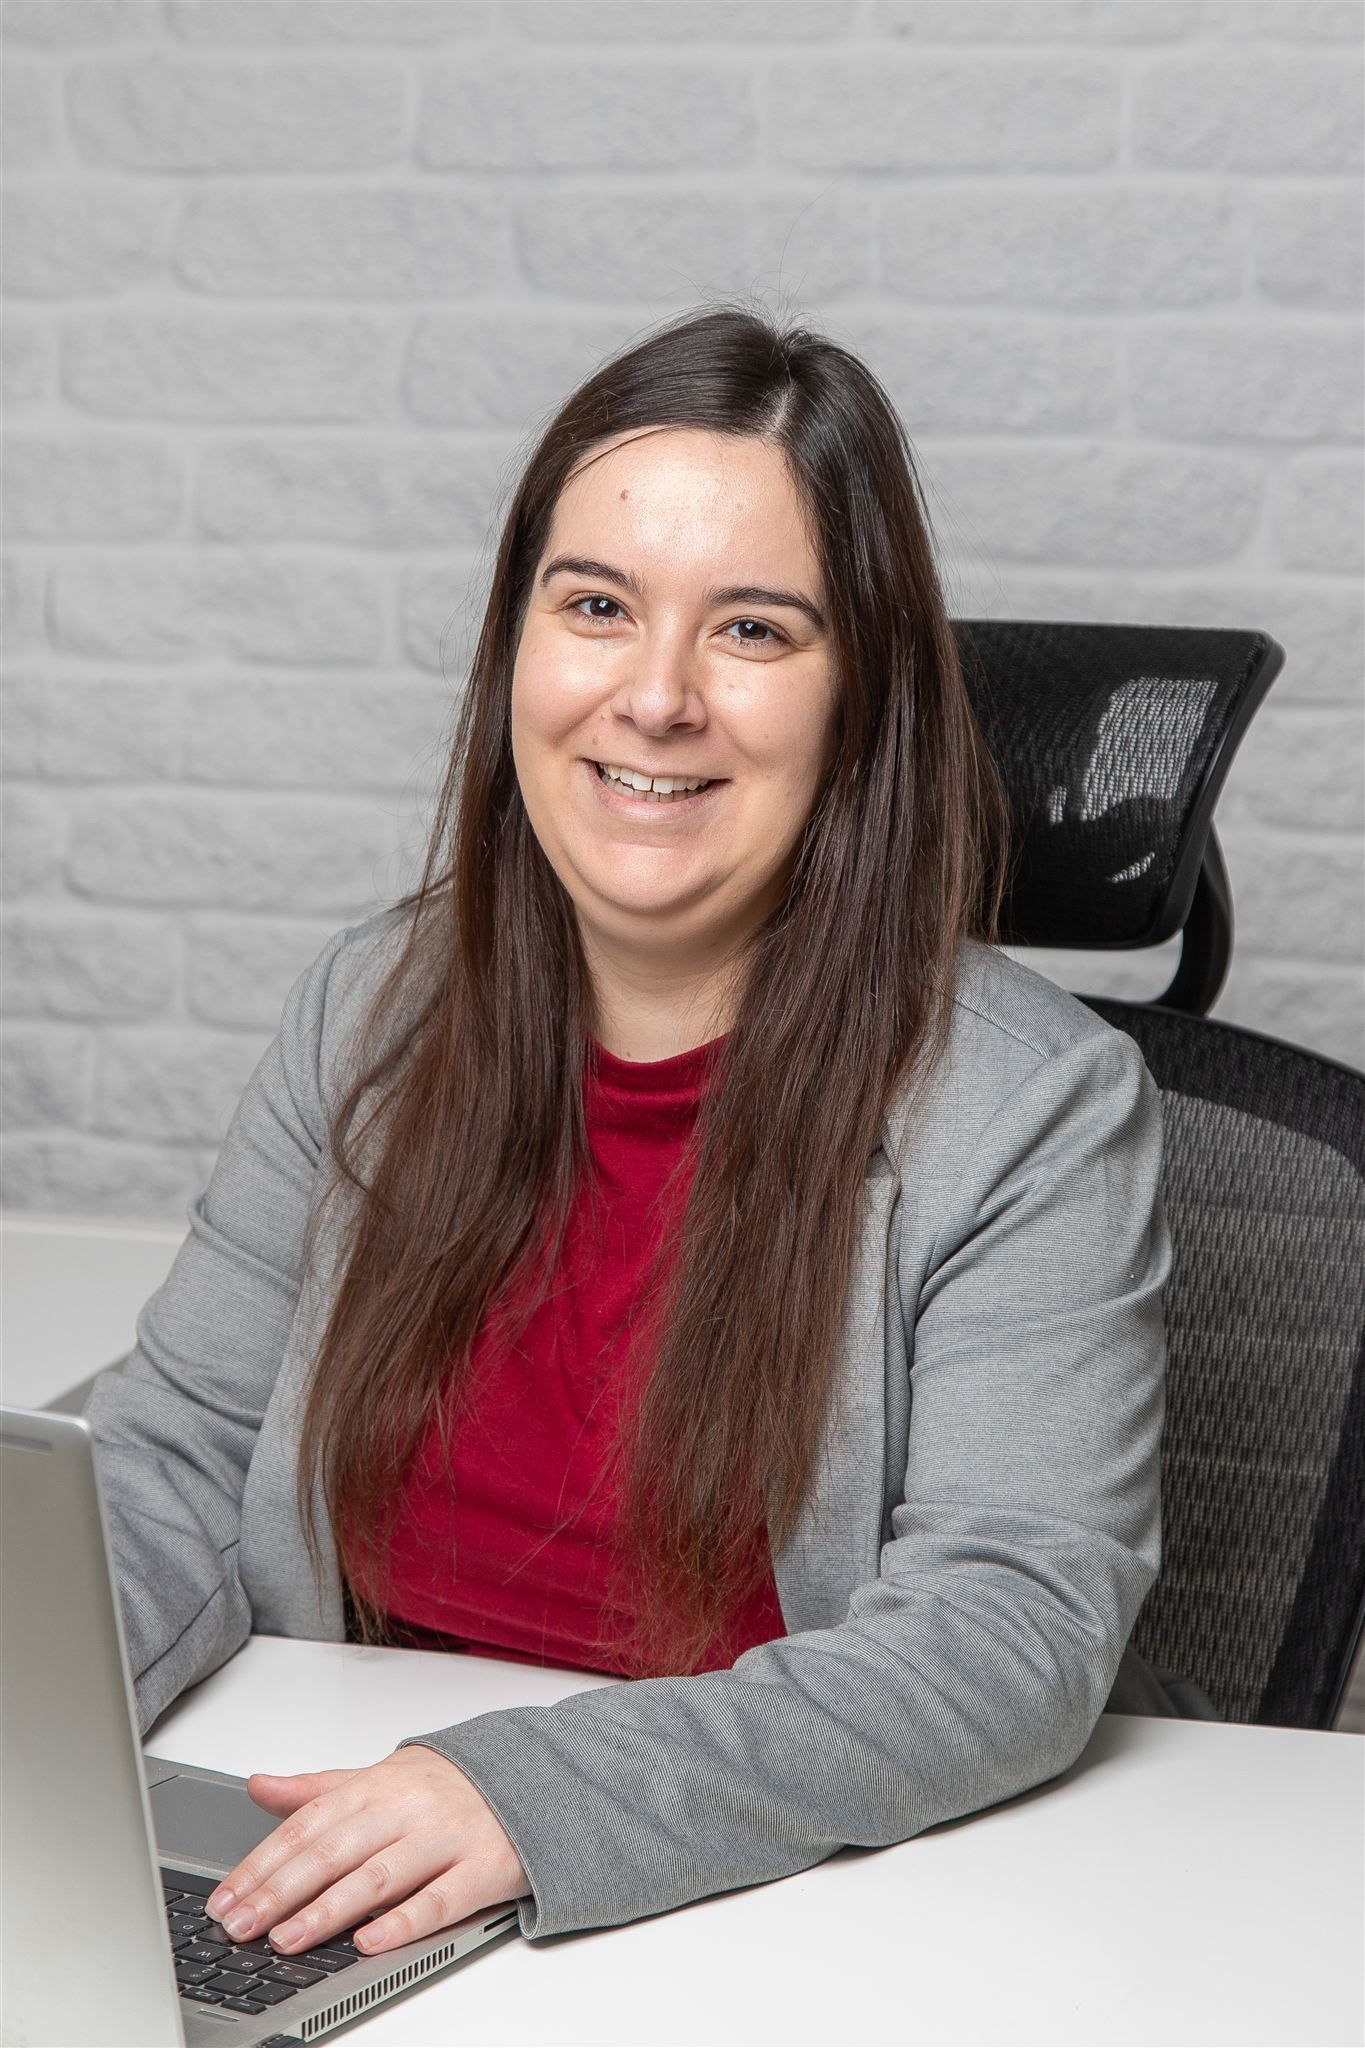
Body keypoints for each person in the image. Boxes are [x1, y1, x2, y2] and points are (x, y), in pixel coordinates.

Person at [83, 302, 1177, 1963]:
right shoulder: (370, 1008)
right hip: (329, 1861)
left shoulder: (1031, 1112)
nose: (652, 698)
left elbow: (1003, 1630)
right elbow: (176, 1453)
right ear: (516, 649)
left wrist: (516, 1799)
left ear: (858, 702)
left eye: (751, 631)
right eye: (595, 607)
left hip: (737, 1898)